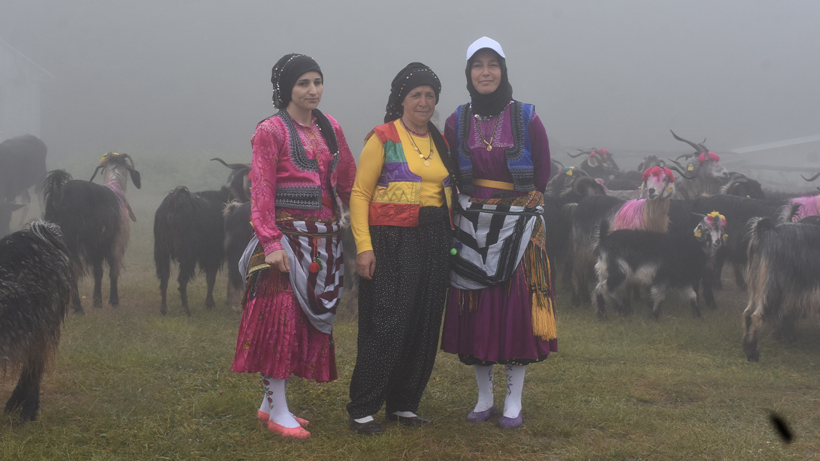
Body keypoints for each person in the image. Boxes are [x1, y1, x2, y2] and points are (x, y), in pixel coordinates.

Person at [231, 53, 356, 439]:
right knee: (278, 323)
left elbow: (347, 178)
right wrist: (270, 243)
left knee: (302, 323)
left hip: (324, 242)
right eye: (303, 83)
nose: (312, 90)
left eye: (317, 81)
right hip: (284, 242)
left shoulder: (330, 127)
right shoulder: (270, 131)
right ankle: (281, 409)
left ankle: (270, 407)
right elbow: (262, 190)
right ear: (287, 89)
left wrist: (365, 216)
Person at [440, 37, 557, 429]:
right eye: (478, 66)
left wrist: (523, 213)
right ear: (469, 74)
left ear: (503, 71)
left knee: (515, 310)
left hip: (518, 225)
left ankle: (514, 399)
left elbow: (542, 171)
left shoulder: (527, 117)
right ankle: (484, 395)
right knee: (477, 308)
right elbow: (450, 175)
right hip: (472, 226)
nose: (485, 72)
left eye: (493, 65)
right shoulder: (456, 121)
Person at [346, 62, 457, 435]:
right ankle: (363, 407)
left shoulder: (439, 141)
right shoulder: (383, 137)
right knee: (388, 321)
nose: (424, 102)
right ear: (401, 100)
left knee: (425, 321)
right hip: (391, 240)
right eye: (416, 95)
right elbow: (360, 194)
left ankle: (404, 404)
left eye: (430, 95)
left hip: (435, 237)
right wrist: (364, 247)